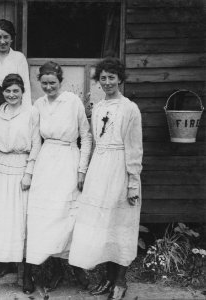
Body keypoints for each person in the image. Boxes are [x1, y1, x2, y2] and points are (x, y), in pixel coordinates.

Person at [68, 57, 143, 300]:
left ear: (120, 79)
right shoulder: (98, 107)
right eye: (103, 78)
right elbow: (95, 141)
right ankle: (108, 277)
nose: (108, 82)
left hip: (120, 169)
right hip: (99, 170)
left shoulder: (130, 108)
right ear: (98, 81)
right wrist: (86, 171)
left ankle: (121, 280)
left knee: (121, 225)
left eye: (112, 77)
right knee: (103, 226)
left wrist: (133, 183)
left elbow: (134, 147)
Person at [25, 61, 92, 292]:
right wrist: (30, 172)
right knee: (48, 216)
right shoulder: (38, 105)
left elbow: (86, 136)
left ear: (60, 81)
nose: (48, 87)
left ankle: (76, 266)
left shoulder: (72, 102)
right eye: (44, 83)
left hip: (69, 160)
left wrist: (82, 169)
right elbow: (35, 142)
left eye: (52, 82)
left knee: (70, 215)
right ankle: (55, 268)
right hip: (46, 163)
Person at [0, 74, 41, 294]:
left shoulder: (31, 112)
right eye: (8, 91)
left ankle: (27, 273)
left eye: (16, 91)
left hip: (21, 166)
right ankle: (3, 261)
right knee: (0, 217)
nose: (12, 95)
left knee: (20, 219)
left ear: (22, 92)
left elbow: (35, 145)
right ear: (3, 92)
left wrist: (29, 173)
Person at [0, 19, 31, 111]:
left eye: (6, 37)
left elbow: (25, 86)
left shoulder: (19, 58)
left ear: (12, 38)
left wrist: (26, 111)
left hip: (13, 103)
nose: (2, 41)